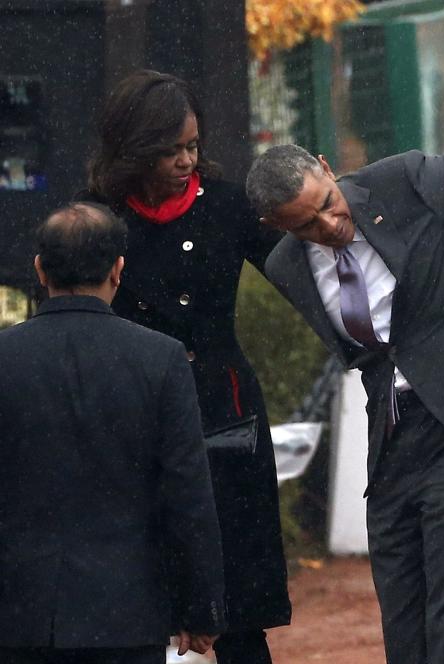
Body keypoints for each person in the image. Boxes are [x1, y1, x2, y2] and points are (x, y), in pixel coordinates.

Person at [245, 141, 444, 664]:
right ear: (276, 225)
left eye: (328, 203)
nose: (328, 226)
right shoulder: (286, 266)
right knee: (404, 632)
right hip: (392, 449)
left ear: (328, 169)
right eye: (305, 225)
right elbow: (369, 355)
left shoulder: (405, 181)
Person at [80, 70, 289, 663]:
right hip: (131, 415)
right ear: (134, 147)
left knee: (239, 598)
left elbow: (304, 272)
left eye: (193, 146)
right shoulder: (96, 219)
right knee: (139, 591)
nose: (186, 160)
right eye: (170, 149)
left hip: (225, 406)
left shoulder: (228, 205)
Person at [0, 203, 225, 664]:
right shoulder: (160, 359)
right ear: (118, 270)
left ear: (41, 270)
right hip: (125, 612)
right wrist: (200, 608)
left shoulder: (5, 358)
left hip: (17, 612)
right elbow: (187, 494)